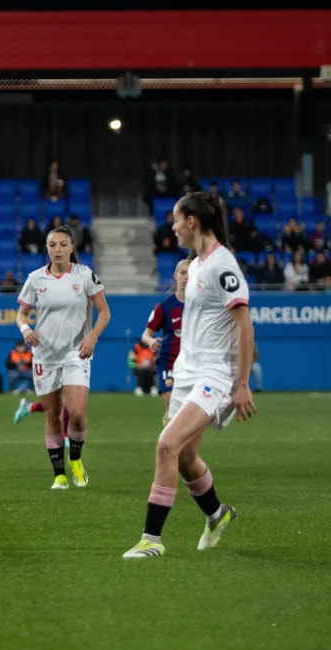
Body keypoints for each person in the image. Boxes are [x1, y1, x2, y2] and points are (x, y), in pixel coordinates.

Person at [123, 192, 255, 559]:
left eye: (176, 219)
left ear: (192, 221)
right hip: (185, 372)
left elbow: (245, 327)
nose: (173, 226)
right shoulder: (195, 264)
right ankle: (217, 514)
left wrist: (241, 384)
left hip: (214, 375)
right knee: (183, 457)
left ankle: (151, 540)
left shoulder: (221, 265)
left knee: (166, 445)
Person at [16, 225, 110, 490]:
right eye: (52, 245)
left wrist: (91, 337)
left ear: (72, 247)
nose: (57, 249)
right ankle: (59, 476)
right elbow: (21, 314)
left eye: (62, 244)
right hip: (44, 354)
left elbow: (104, 312)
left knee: (77, 413)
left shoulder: (85, 275)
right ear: (47, 249)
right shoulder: (35, 279)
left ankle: (76, 459)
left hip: (76, 352)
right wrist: (25, 329)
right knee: (53, 416)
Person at [141, 260, 188, 419]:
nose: (186, 277)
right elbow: (145, 335)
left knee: (191, 415)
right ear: (176, 276)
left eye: (189, 273)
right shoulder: (165, 306)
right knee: (173, 413)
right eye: (182, 273)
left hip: (192, 364)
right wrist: (151, 341)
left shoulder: (200, 305)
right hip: (169, 362)